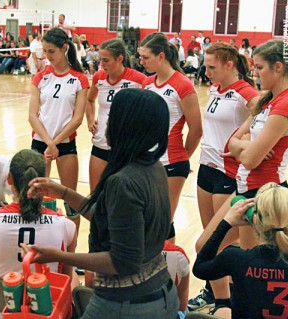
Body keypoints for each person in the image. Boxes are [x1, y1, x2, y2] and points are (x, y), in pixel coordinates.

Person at [23, 89, 178, 319]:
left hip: (127, 305)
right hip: (160, 295)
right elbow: (114, 221)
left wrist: (58, 255)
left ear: (123, 126)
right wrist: (64, 192)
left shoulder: (123, 181)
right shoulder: (152, 166)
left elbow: (123, 262)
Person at [195, 39, 288, 317]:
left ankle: (234, 307)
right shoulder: (268, 99)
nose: (256, 72)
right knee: (208, 247)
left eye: (261, 67)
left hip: (264, 195)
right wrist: (246, 146)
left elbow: (250, 159)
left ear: (279, 67)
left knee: (246, 265)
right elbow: (233, 144)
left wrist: (246, 148)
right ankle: (225, 305)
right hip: (245, 190)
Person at [188, 42, 260, 313]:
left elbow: (263, 116)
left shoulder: (245, 92)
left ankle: (227, 301)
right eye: (205, 66)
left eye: (211, 67)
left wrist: (250, 145)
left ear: (230, 65)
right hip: (206, 168)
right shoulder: (217, 89)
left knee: (219, 242)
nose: (206, 72)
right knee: (211, 241)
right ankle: (212, 290)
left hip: (227, 172)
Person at [193, 182, 288, 319]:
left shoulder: (236, 258)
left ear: (255, 220)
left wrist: (226, 223)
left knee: (221, 310)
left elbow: (200, 267)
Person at [0, 149, 77, 280]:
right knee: (75, 279)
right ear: (45, 181)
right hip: (48, 298)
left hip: (2, 298)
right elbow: (66, 278)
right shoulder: (66, 225)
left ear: (9, 179)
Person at [139, 32, 203, 242]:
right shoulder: (147, 83)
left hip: (172, 162)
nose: (141, 62)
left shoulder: (183, 84)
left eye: (146, 57)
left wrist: (183, 157)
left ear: (161, 56)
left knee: (163, 221)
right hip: (147, 160)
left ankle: (168, 269)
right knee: (146, 219)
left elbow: (196, 129)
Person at [28, 27, 89, 227]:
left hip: (64, 144)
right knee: (36, 199)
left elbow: (78, 118)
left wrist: (54, 144)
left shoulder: (79, 79)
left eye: (51, 51)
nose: (47, 56)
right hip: (40, 143)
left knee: (72, 203)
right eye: (44, 51)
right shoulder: (40, 77)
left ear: (64, 48)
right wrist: (48, 143)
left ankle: (69, 254)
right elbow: (32, 116)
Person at [85, 38, 146, 191]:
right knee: (96, 196)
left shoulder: (138, 80)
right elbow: (89, 100)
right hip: (100, 144)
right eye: (100, 60)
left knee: (121, 197)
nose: (102, 64)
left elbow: (151, 111)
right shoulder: (99, 78)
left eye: (106, 60)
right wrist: (90, 120)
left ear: (120, 59)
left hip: (125, 149)